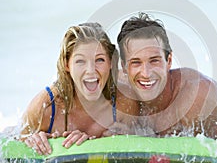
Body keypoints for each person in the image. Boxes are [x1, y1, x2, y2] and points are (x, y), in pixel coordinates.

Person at [20, 23, 138, 155]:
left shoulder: (125, 102)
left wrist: (129, 136)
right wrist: (31, 140)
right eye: (80, 61)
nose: (91, 71)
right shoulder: (46, 107)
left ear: (110, 62)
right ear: (67, 65)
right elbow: (11, 140)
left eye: (99, 60)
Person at [115, 12, 217, 139]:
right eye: (136, 62)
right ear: (123, 66)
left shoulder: (197, 96)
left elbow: (215, 151)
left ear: (169, 61)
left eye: (154, 60)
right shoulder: (116, 92)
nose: (146, 73)